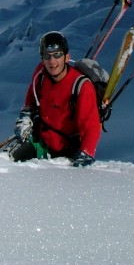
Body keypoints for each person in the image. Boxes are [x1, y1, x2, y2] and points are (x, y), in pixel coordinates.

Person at [8, 31, 101, 167]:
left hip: (66, 150)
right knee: (4, 160)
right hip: (41, 141)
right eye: (47, 56)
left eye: (57, 55)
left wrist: (86, 154)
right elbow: (30, 102)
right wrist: (25, 117)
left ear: (67, 57)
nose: (52, 61)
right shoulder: (41, 73)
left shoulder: (82, 86)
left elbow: (91, 127)